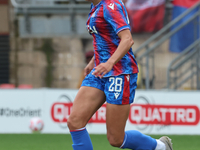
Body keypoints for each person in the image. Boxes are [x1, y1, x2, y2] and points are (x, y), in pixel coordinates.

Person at [67, 0, 173, 150]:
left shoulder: (112, 6)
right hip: (100, 71)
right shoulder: (96, 6)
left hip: (120, 73)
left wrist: (109, 62)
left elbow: (127, 39)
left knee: (116, 139)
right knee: (75, 122)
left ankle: (160, 147)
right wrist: (94, 60)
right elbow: (106, 38)